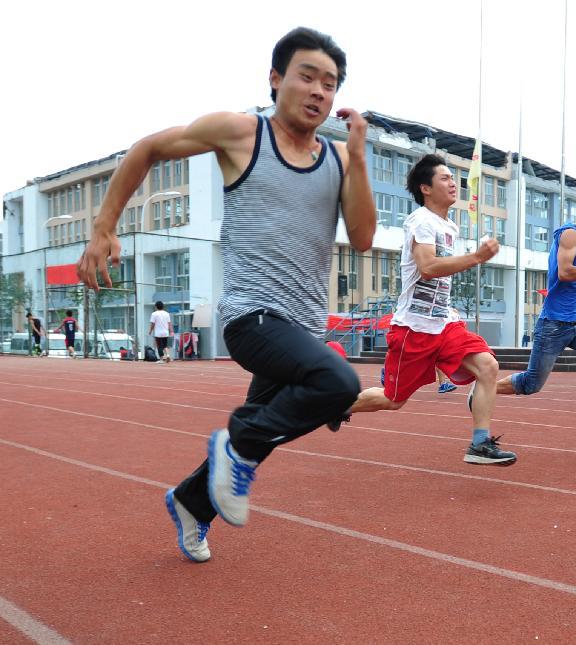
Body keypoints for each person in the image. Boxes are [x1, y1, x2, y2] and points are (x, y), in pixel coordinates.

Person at [77, 27, 376, 562]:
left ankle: (192, 502)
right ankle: (233, 441)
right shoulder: (242, 134)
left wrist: (359, 155)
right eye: (307, 76)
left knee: (260, 439)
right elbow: (149, 147)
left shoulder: (339, 158)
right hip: (251, 315)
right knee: (336, 383)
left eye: (330, 84)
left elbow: (362, 238)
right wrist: (103, 228)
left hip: (302, 326)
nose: (318, 92)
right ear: (276, 79)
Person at [348, 154, 516, 466]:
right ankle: (340, 405)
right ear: (426, 188)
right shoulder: (421, 220)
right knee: (392, 399)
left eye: (454, 178)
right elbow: (427, 267)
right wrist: (476, 257)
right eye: (445, 178)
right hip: (414, 328)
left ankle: (479, 444)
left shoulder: (449, 225)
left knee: (488, 367)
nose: (454, 183)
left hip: (445, 324)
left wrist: (472, 257)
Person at [482, 189, 576, 440]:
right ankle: (484, 390)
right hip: (553, 324)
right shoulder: (570, 234)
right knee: (532, 384)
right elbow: (564, 272)